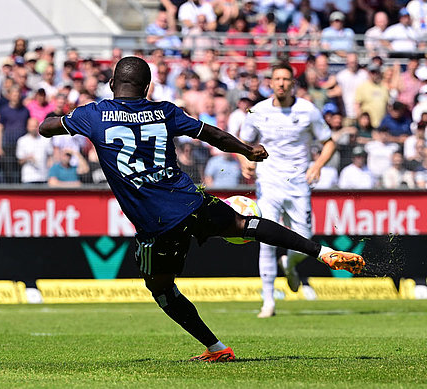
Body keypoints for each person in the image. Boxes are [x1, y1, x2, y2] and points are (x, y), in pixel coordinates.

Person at [39, 56, 365, 362]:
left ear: (112, 84)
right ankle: (321, 252)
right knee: (244, 224)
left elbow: (46, 128)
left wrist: (62, 119)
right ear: (148, 87)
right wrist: (247, 150)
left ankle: (217, 347)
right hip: (190, 201)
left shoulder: (92, 114)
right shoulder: (163, 111)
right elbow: (212, 135)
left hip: (156, 224)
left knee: (162, 289)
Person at [239, 62, 339, 319]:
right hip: (268, 183)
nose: (281, 83)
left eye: (286, 79)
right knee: (266, 239)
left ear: (293, 83)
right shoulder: (258, 111)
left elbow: (328, 142)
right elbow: (242, 141)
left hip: (298, 184)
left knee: (306, 239)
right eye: (277, 79)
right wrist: (245, 161)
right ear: (270, 83)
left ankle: (290, 264)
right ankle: (268, 301)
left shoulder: (307, 111)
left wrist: (317, 165)